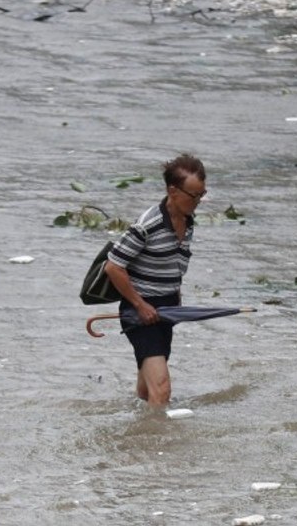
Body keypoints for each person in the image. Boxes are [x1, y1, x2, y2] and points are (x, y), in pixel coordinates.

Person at [103, 154, 207, 407]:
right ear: (173, 190)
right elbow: (113, 267)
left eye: (202, 195)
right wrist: (140, 305)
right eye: (193, 196)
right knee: (162, 389)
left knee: (146, 391)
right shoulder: (147, 224)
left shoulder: (188, 221)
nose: (197, 202)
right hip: (141, 312)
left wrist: (176, 300)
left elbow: (174, 264)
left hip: (166, 310)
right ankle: (157, 444)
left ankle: (138, 432)